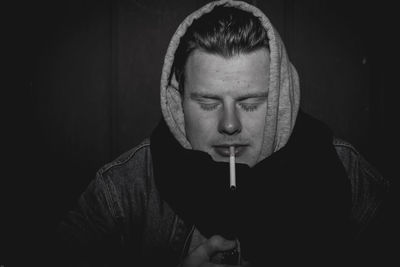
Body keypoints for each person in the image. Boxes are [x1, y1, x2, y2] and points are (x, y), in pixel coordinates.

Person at [56, 1, 390, 266]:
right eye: (208, 101)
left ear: (281, 101)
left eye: (250, 102)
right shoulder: (123, 191)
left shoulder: (346, 174)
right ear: (177, 103)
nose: (229, 125)